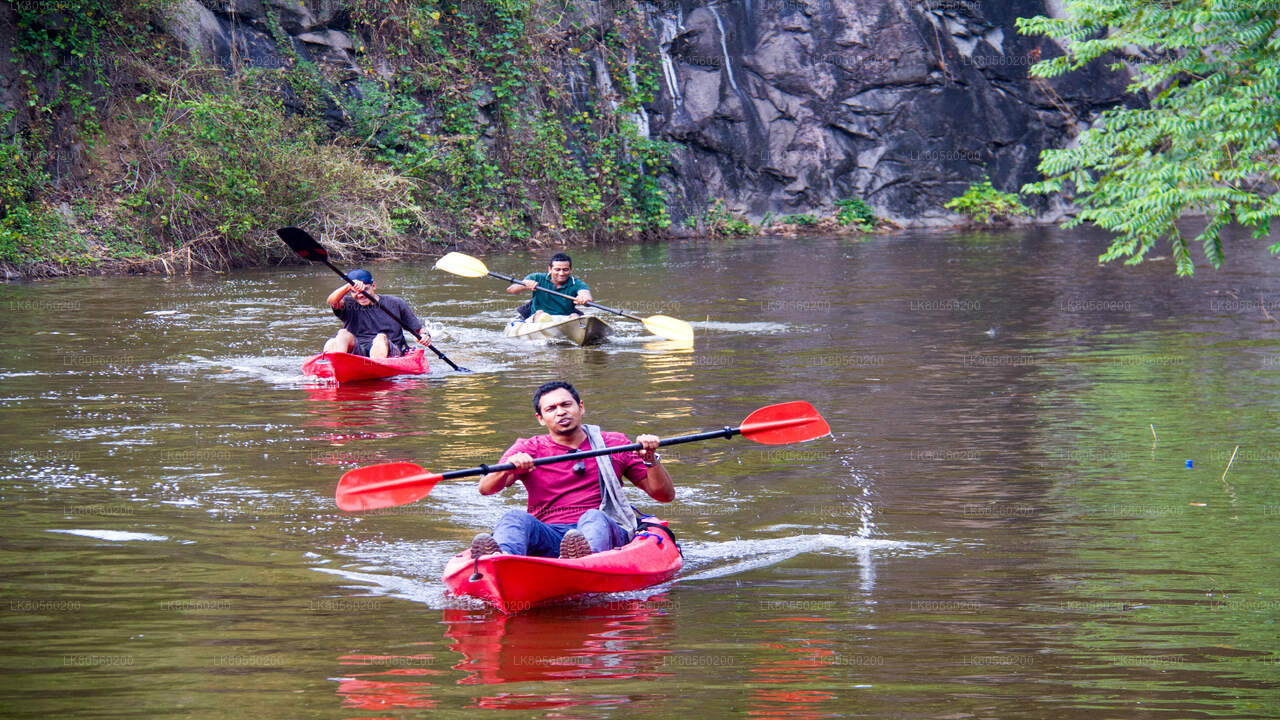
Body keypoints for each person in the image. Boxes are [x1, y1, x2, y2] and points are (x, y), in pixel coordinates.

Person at [471, 381, 674, 559]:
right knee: (514, 517)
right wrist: (509, 468)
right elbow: (486, 489)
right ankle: (500, 558)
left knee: (592, 517)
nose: (560, 412)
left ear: (581, 407)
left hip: (605, 527)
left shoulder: (614, 443)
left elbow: (664, 495)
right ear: (541, 418)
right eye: (551, 409)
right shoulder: (528, 448)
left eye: (566, 404)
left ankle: (585, 559)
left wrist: (650, 458)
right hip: (550, 534)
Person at [322, 269, 429, 359]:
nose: (360, 295)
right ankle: (338, 364)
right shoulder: (347, 303)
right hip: (359, 350)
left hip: (389, 350)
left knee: (380, 338)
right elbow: (332, 301)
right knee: (341, 334)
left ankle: (375, 366)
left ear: (374, 286)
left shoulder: (395, 303)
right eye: (354, 292)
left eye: (365, 290)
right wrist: (348, 286)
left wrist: (425, 335)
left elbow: (419, 329)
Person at [506, 252, 593, 320]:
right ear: (550, 269)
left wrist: (584, 298)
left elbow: (586, 295)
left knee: (574, 316)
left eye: (565, 270)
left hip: (565, 320)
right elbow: (511, 290)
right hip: (538, 318)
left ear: (571, 270)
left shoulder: (577, 284)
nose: (561, 273)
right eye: (557, 270)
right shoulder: (536, 277)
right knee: (540, 314)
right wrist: (525, 285)